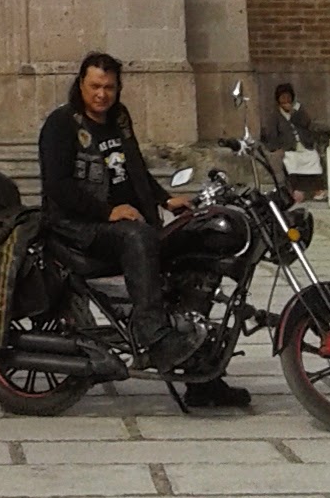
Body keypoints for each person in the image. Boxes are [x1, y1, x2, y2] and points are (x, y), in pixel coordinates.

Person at [38, 50, 251, 412]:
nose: (102, 94)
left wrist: (167, 201)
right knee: (136, 235)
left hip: (124, 221)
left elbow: (134, 168)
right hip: (78, 227)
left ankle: (203, 377)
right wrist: (109, 211)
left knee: (192, 251)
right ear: (80, 85)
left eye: (109, 87)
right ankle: (152, 335)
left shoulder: (119, 119)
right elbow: (58, 186)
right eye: (94, 86)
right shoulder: (61, 124)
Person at [262, 81, 324, 200]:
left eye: (288, 97)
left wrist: (295, 112)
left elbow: (306, 123)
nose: (286, 100)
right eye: (283, 98)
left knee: (313, 158)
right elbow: (272, 134)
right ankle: (296, 190)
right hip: (289, 148)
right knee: (292, 163)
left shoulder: (298, 110)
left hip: (304, 145)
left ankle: (317, 189)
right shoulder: (275, 116)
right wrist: (276, 148)